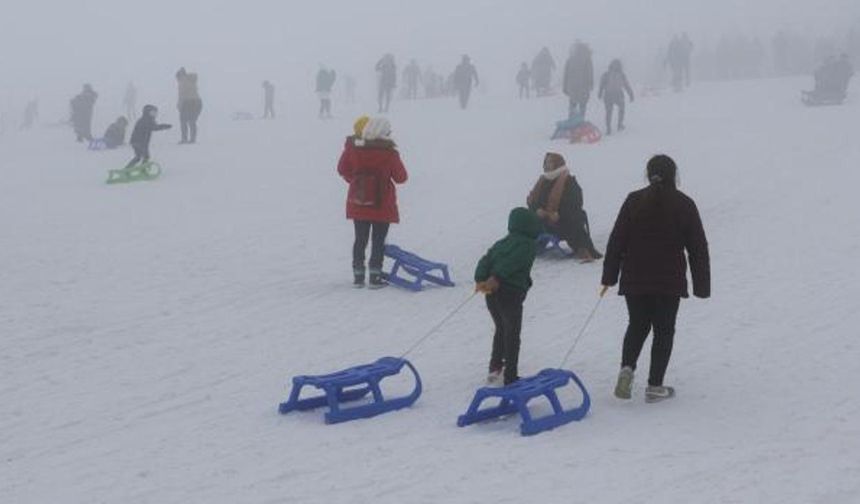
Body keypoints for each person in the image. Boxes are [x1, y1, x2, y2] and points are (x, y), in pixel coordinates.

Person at [601, 155, 710, 403]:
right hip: (668, 280)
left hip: (635, 278)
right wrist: (701, 285)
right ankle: (654, 386)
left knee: (637, 325)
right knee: (664, 330)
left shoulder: (634, 200)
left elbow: (617, 240)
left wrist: (609, 276)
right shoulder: (684, 204)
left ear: (648, 174)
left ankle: (626, 369)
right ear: (674, 175)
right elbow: (698, 248)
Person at [337, 116, 407, 288]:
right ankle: (375, 276)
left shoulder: (353, 150)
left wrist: (356, 182)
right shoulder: (390, 153)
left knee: (360, 239)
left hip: (358, 201)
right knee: (378, 240)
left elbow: (342, 169)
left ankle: (358, 276)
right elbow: (401, 178)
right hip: (382, 204)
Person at [474, 207, 542, 386]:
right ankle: (511, 376)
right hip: (510, 293)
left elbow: (485, 260)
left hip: (492, 294)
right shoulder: (528, 245)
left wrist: (481, 279)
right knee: (512, 333)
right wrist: (497, 277)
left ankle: (495, 367)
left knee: (501, 328)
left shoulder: (502, 243)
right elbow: (514, 262)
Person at [527, 152, 602, 261]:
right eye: (545, 163)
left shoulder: (569, 181)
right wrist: (537, 210)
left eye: (550, 162)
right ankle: (517, 248)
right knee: (521, 216)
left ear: (557, 164)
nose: (546, 165)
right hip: (543, 221)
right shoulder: (542, 181)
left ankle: (583, 249)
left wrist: (558, 214)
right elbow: (533, 201)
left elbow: (575, 203)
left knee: (574, 219)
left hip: (561, 221)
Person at [598, 59, 635, 135]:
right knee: (621, 109)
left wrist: (600, 93)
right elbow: (626, 85)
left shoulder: (606, 74)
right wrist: (631, 94)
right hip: (618, 95)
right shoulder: (621, 75)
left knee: (609, 112)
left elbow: (601, 85)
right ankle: (619, 125)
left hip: (608, 95)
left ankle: (609, 128)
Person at [563, 42, 594, 118]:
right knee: (582, 106)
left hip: (572, 87)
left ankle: (571, 121)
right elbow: (590, 73)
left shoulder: (570, 59)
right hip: (583, 87)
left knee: (572, 105)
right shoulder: (587, 59)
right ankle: (580, 123)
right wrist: (590, 84)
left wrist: (565, 87)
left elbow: (566, 74)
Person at [175, 67, 202, 144]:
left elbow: (182, 95)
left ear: (179, 76)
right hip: (197, 102)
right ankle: (193, 139)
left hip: (188, 102)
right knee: (192, 121)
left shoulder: (182, 82)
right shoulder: (191, 80)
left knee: (183, 121)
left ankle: (184, 139)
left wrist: (179, 105)